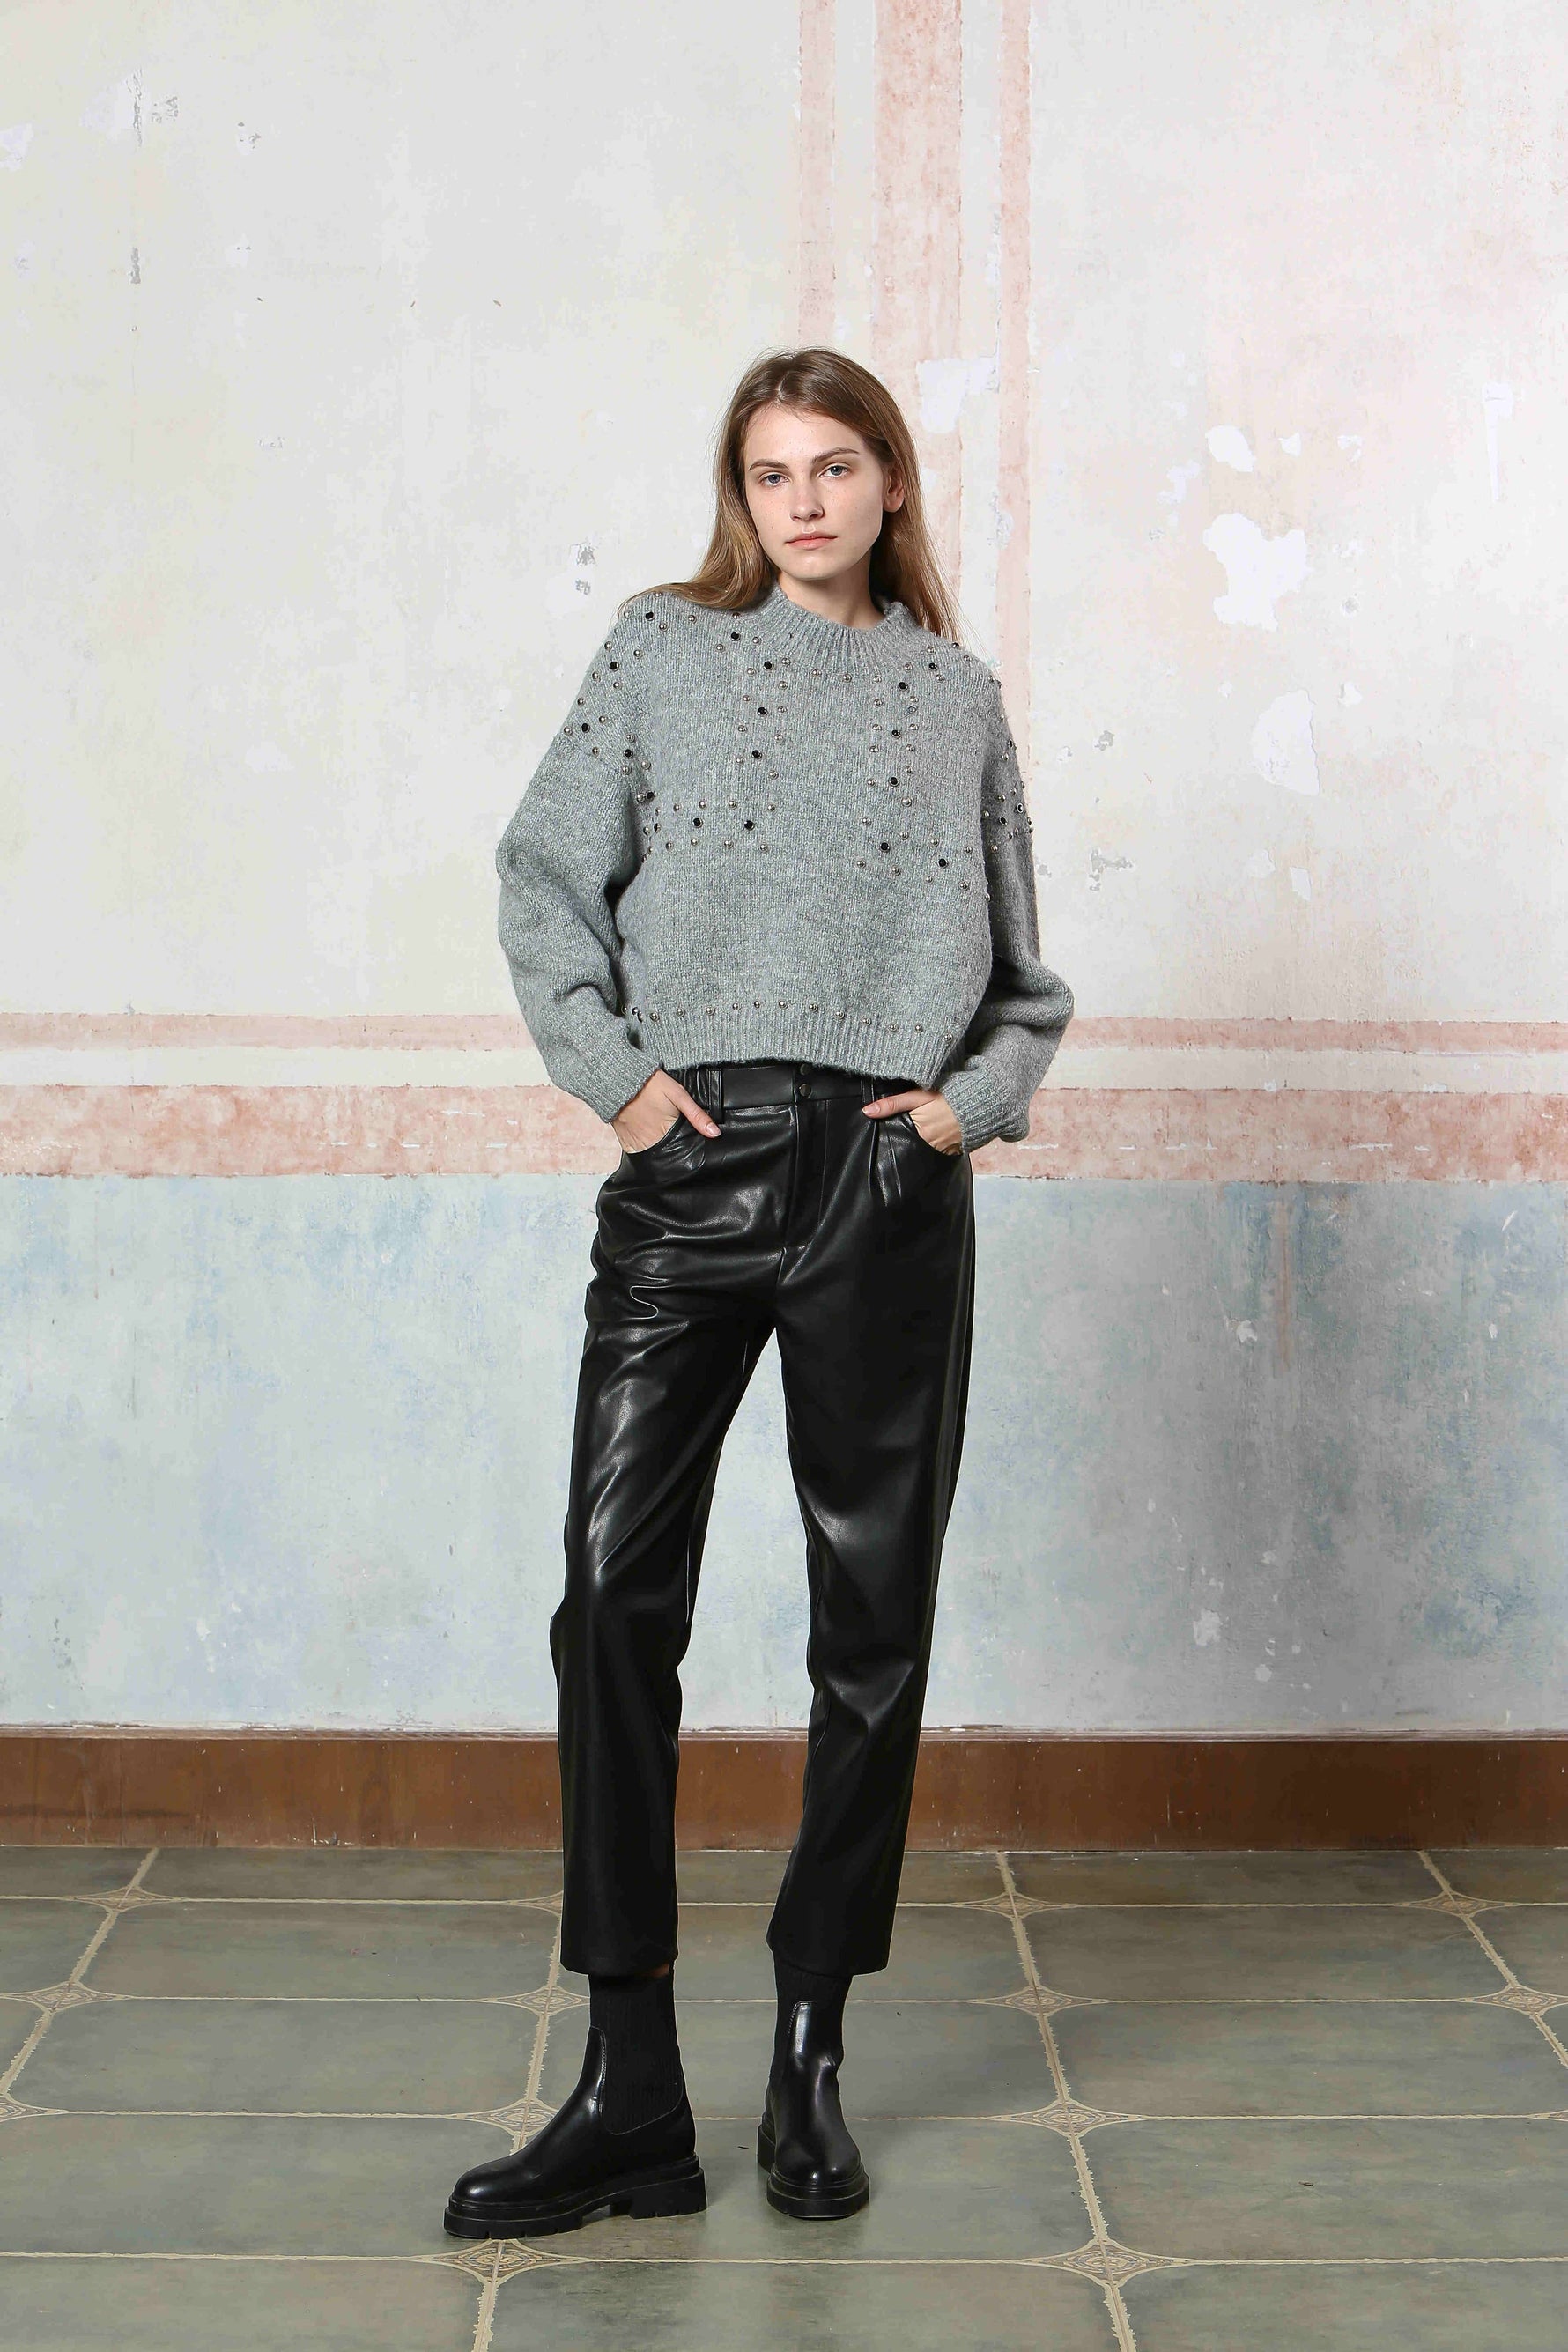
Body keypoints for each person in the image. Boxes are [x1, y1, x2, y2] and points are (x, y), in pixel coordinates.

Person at [444, 346, 1073, 2241]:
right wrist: (620, 1083)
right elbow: (543, 877)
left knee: (868, 1627)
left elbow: (1023, 983)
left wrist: (955, 1117)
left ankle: (809, 2052)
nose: (802, 501)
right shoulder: (661, 652)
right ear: (741, 493)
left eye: (835, 466)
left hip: (881, 1185)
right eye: (770, 471)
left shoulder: (954, 699)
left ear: (892, 484)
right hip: (690, 1165)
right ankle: (628, 2084)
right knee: (609, 1594)